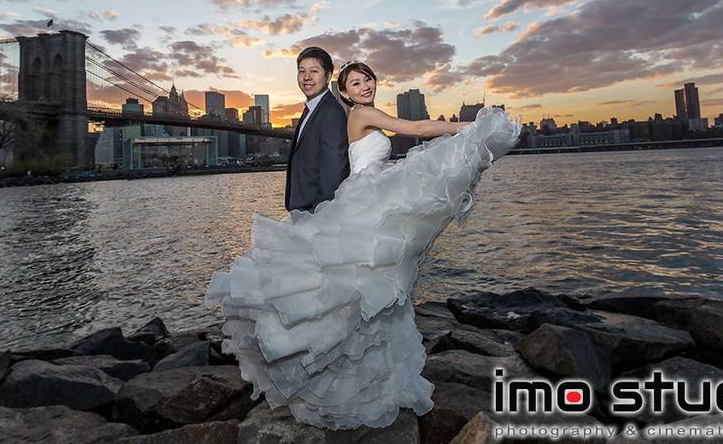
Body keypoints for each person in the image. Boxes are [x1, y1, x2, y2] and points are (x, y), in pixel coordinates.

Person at [205, 60, 521, 430]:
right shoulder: (360, 114)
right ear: (345, 93)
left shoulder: (356, 113)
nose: (364, 86)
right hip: (366, 200)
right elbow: (415, 128)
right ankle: (333, 374)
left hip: (370, 196)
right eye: (355, 83)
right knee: (364, 286)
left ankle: (363, 373)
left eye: (367, 79)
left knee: (368, 291)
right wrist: (469, 126)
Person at [284, 46, 350, 212]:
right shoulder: (311, 108)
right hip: (303, 211)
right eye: (301, 71)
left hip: (315, 215)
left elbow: (334, 170)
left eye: (314, 71)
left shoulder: (331, 112)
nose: (306, 77)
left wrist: (319, 216)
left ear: (328, 76)